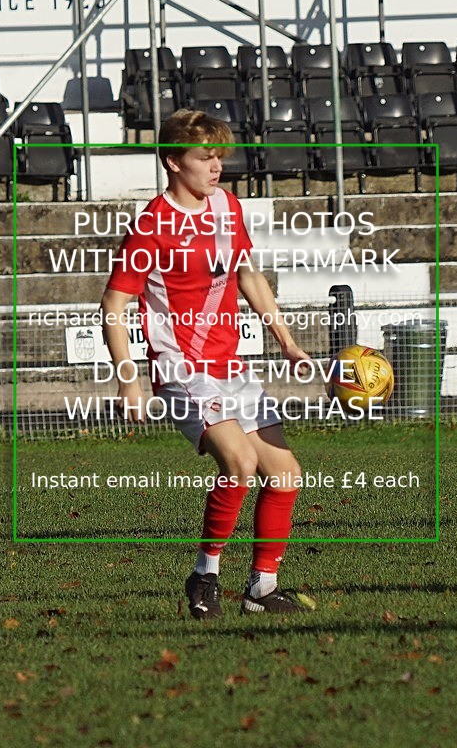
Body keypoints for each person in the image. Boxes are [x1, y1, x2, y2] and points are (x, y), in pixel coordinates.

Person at [101, 109, 313, 617]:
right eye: (205, 157)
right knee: (239, 464)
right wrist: (129, 380)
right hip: (180, 367)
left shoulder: (227, 206)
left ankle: (262, 589)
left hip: (230, 365)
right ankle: (204, 576)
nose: (216, 167)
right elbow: (113, 306)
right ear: (173, 162)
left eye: (221, 156)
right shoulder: (153, 226)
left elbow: (248, 274)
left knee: (285, 474)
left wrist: (285, 340)